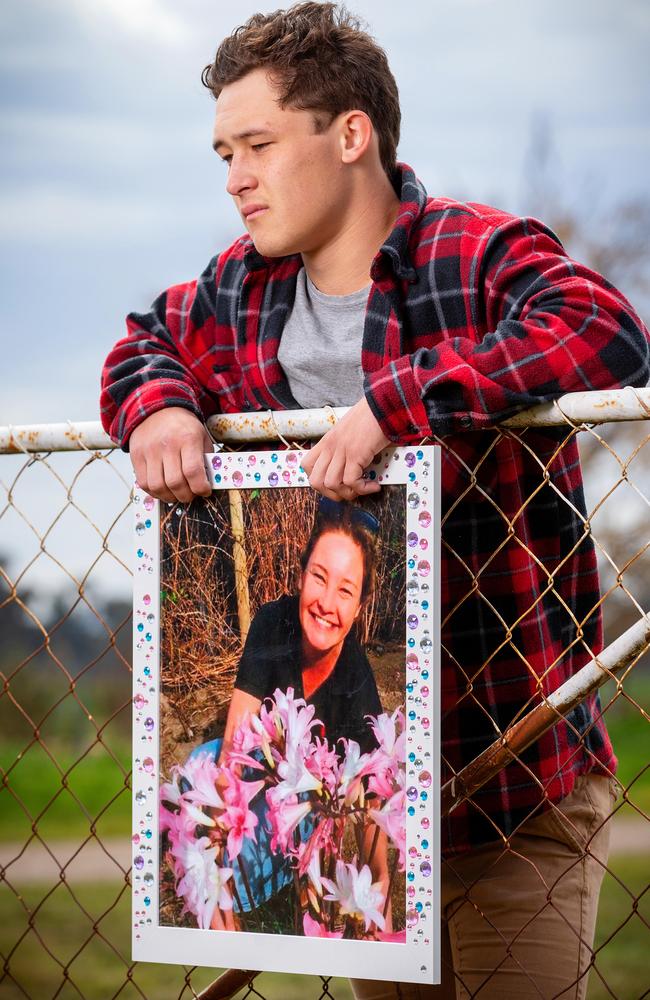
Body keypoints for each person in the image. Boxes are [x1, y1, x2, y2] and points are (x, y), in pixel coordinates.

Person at [100, 3, 650, 996]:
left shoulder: (471, 254)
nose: (234, 178)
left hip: (508, 781)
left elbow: (603, 328)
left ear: (351, 134)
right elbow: (141, 342)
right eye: (223, 152)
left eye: (257, 144)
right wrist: (157, 409)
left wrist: (398, 404)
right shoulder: (239, 291)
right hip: (351, 810)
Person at [197, 497, 389, 931]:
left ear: (358, 608)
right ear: (301, 577)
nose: (326, 602)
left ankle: (301, 907)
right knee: (201, 765)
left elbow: (370, 795)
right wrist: (215, 874)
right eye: (318, 578)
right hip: (255, 804)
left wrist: (378, 889)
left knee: (313, 799)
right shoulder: (272, 622)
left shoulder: (356, 675)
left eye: (345, 590)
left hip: (306, 822)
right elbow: (233, 747)